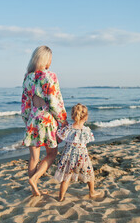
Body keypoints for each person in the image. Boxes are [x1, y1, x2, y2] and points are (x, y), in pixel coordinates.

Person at [21, 45, 68, 196]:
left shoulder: (27, 77)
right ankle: (34, 179)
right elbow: (54, 102)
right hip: (47, 119)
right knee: (52, 153)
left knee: (34, 157)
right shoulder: (50, 76)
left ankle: (34, 190)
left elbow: (25, 104)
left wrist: (27, 121)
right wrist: (63, 120)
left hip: (33, 119)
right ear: (46, 60)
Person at [54, 103, 100, 201]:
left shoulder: (67, 129)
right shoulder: (86, 130)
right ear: (86, 117)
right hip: (82, 157)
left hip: (68, 156)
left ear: (72, 116)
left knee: (66, 178)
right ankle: (92, 192)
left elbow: (59, 138)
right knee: (89, 174)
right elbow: (85, 144)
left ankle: (61, 197)